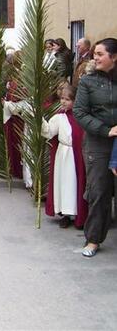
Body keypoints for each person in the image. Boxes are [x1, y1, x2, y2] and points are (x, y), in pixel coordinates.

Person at [73, 37, 117, 257]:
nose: (95, 57)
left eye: (100, 54)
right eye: (95, 54)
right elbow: (79, 112)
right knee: (99, 191)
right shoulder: (88, 82)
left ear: (114, 57)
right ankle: (93, 239)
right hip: (98, 143)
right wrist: (106, 130)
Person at [42, 85, 87, 229]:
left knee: (76, 183)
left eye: (67, 99)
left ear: (75, 100)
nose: (63, 102)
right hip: (63, 155)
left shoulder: (81, 117)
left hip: (77, 156)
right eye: (62, 98)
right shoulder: (59, 117)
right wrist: (40, 120)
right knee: (65, 184)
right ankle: (66, 214)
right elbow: (49, 132)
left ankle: (78, 213)